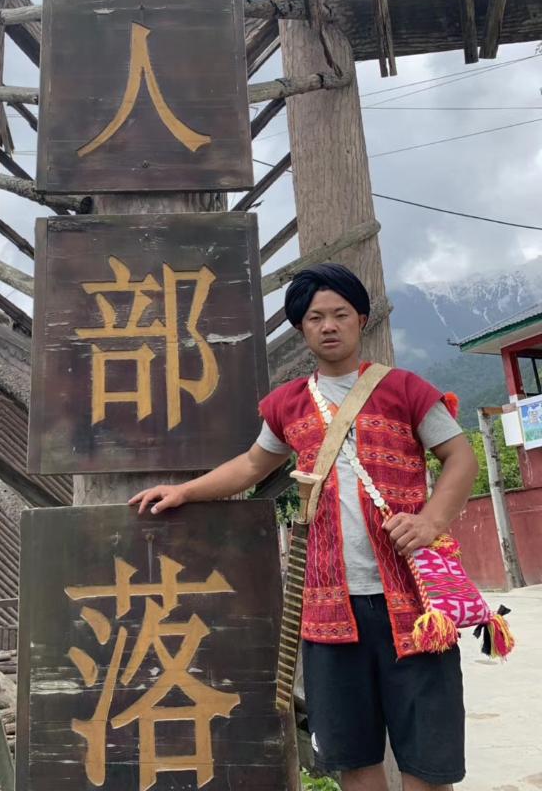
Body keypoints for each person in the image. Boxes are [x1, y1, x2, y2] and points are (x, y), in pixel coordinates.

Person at [130, 263, 478, 791]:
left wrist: (432, 521)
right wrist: (185, 491)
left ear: (361, 320)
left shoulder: (406, 389)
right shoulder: (288, 405)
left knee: (428, 763)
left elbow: (460, 457)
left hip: (414, 603)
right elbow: (252, 465)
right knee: (353, 758)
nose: (329, 325)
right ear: (301, 328)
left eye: (341, 314)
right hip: (328, 609)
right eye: (316, 318)